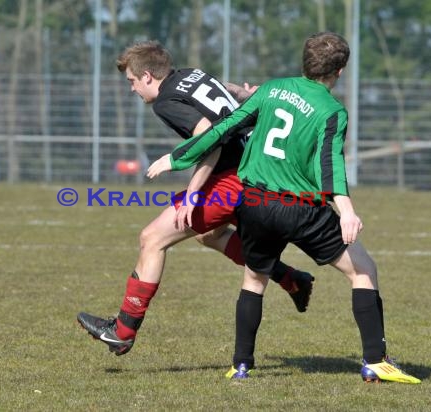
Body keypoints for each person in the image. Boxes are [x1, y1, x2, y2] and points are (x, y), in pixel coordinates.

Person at [147, 32, 421, 384]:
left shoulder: (272, 89)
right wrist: (347, 210)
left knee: (254, 279)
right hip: (300, 209)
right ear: (339, 71)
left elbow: (226, 126)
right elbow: (330, 164)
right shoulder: (332, 111)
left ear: (304, 61)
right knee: (363, 270)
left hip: (254, 202)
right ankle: (375, 361)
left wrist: (177, 156)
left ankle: (241, 364)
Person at [77, 40, 314, 356]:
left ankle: (122, 331)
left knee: (152, 239)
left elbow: (208, 139)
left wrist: (191, 195)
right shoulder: (192, 74)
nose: (132, 90)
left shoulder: (165, 101)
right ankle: (291, 279)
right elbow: (222, 90)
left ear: (148, 76)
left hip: (231, 179)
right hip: (252, 168)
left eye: (132, 82)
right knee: (208, 235)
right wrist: (243, 95)